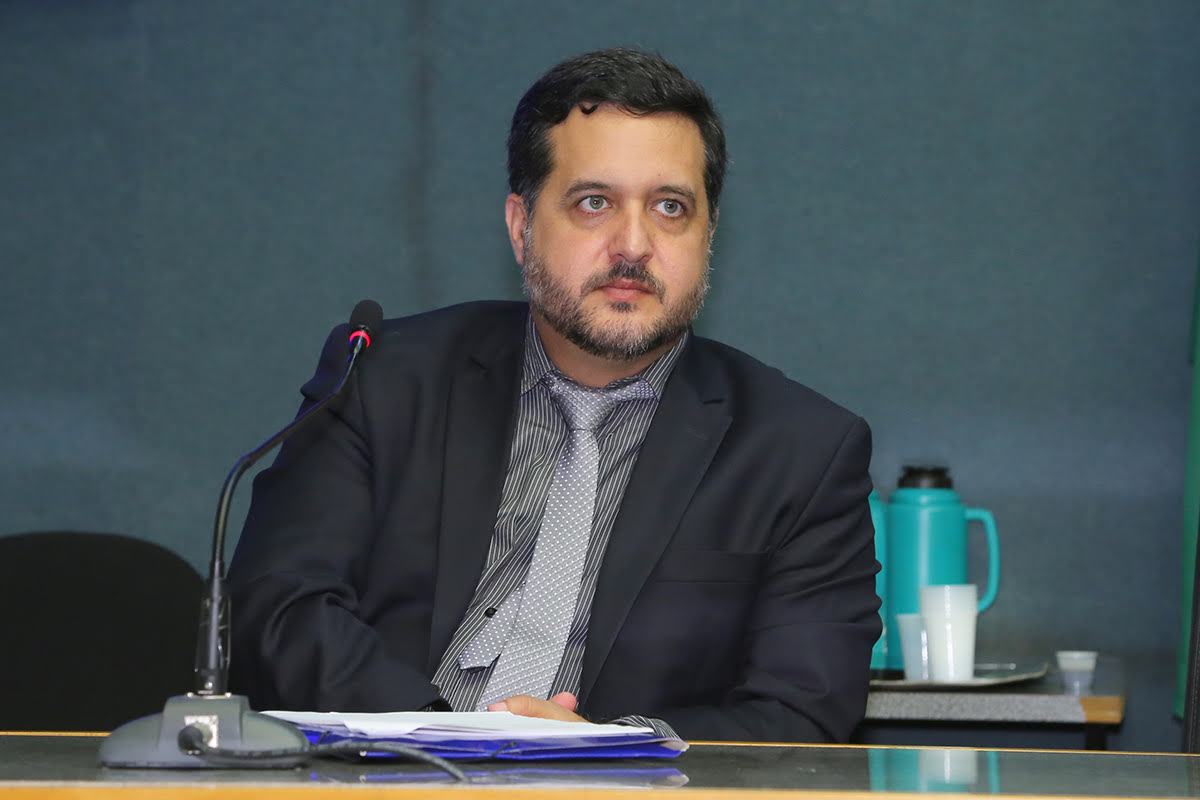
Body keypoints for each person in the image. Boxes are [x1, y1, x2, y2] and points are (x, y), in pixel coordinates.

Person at [228, 47, 880, 743]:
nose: (634, 245)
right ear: (521, 227)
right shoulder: (383, 376)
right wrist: (448, 744)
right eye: (594, 203)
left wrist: (603, 748)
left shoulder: (800, 451)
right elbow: (279, 606)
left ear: (708, 234)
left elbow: (802, 713)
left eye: (670, 207)